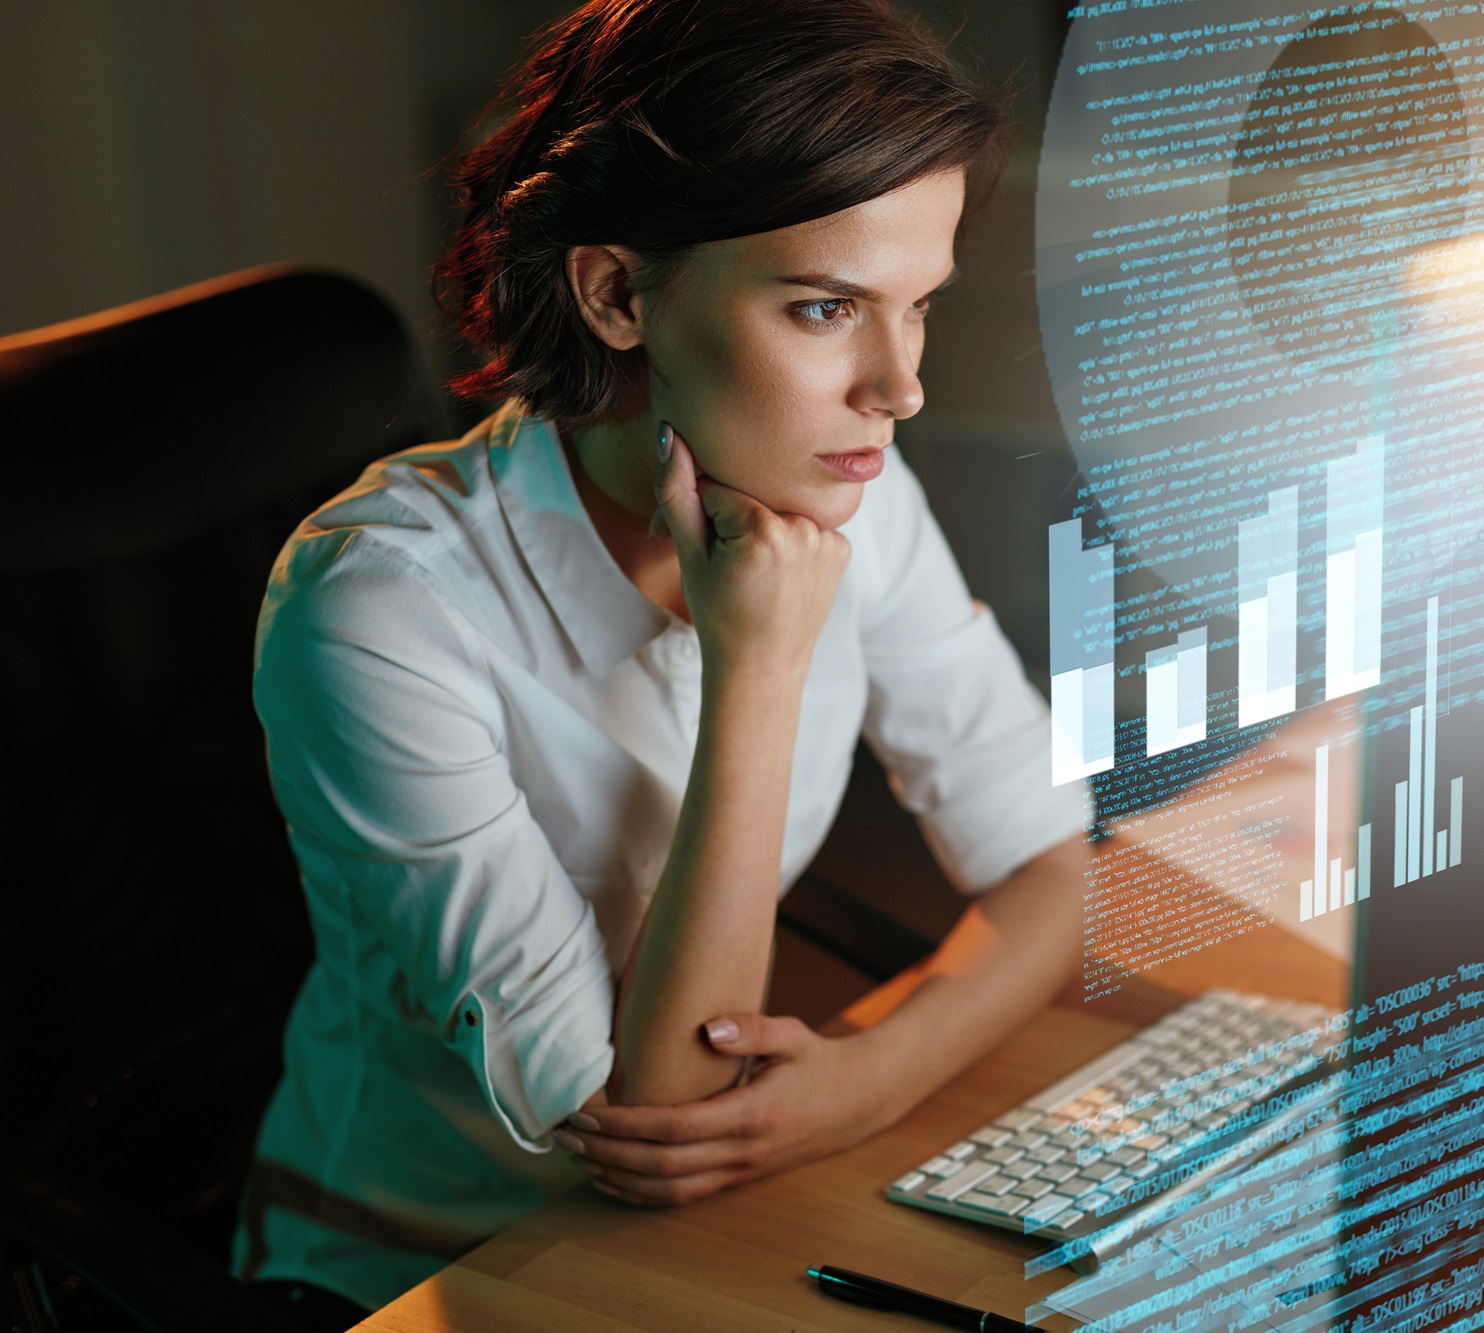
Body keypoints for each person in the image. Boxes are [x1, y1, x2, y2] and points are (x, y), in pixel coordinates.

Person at [232, 0, 1088, 1322]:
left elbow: (1050, 862)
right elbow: (650, 1126)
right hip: (436, 1265)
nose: (900, 386)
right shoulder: (379, 609)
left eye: (916, 307)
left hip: (719, 1225)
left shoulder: (852, 487)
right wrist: (757, 670)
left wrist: (868, 1074)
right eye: (825, 308)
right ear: (619, 293)